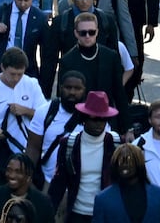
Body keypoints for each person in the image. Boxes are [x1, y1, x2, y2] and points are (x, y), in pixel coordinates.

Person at [51, 92, 124, 223]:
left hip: (107, 214)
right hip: (77, 214)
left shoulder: (116, 144)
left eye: (103, 119)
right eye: (94, 119)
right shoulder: (69, 143)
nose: (99, 124)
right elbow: (59, 181)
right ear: (84, 118)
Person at [0, 49, 46, 179]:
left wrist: (26, 111)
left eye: (20, 74)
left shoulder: (32, 84)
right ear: (2, 67)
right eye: (12, 74)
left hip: (26, 155)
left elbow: (45, 116)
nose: (16, 78)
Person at [55, 15, 125, 117]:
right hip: (78, 118)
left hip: (107, 116)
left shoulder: (111, 56)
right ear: (76, 33)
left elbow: (119, 93)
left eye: (91, 32)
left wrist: (127, 127)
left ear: (97, 32)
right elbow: (64, 95)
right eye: (83, 33)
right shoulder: (67, 61)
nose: (87, 36)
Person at [91, 145, 160, 223]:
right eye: (120, 161)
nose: (124, 165)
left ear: (138, 162)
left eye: (129, 160)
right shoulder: (102, 199)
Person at [0, 155, 55, 223]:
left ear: (29, 177)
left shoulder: (43, 204)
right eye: (9, 170)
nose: (12, 175)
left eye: (18, 172)